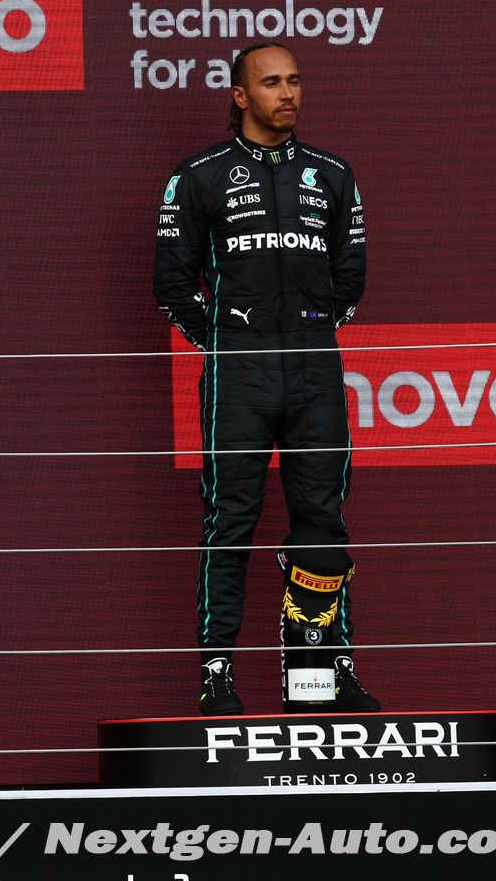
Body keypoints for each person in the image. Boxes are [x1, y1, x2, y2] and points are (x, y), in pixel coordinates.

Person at [154, 43, 380, 716]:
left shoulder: (332, 174)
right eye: (272, 83)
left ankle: (324, 674)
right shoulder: (198, 175)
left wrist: (309, 329)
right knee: (230, 521)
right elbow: (171, 284)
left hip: (314, 367)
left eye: (295, 81)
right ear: (240, 96)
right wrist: (228, 341)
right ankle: (217, 673)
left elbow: (350, 279)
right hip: (240, 374)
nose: (288, 94)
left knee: (323, 522)